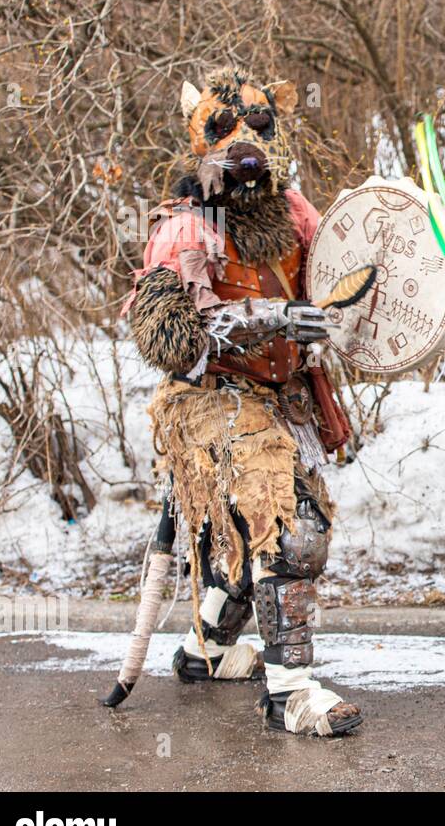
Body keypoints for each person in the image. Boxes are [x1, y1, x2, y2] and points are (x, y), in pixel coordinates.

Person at [124, 66, 361, 736]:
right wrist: (273, 316)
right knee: (288, 525)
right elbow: (169, 335)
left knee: (285, 530)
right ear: (201, 137)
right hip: (207, 394)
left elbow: (340, 271)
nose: (245, 141)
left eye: (257, 125)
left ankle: (209, 647)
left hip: (278, 393)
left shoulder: (293, 212)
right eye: (226, 127)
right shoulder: (185, 225)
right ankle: (290, 693)